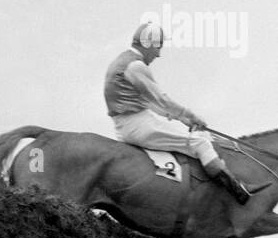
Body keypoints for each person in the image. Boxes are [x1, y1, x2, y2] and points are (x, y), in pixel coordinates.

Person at [104, 19, 263, 203]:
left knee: (199, 138)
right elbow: (162, 100)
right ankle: (239, 191)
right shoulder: (136, 66)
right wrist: (189, 115)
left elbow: (152, 103)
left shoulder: (122, 61)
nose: (159, 54)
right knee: (200, 143)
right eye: (158, 47)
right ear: (148, 43)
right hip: (138, 125)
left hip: (128, 124)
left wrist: (185, 120)